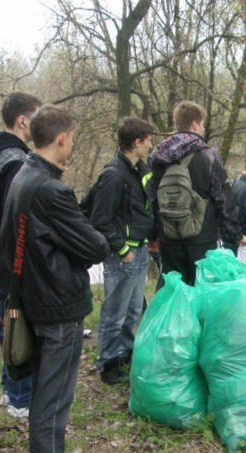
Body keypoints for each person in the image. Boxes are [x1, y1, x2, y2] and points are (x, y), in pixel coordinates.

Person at [1, 104, 109, 453]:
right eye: (73, 138)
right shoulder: (51, 190)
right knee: (53, 396)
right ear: (62, 138)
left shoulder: (24, 175)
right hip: (56, 303)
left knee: (51, 393)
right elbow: (94, 246)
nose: (72, 145)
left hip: (38, 296)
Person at [0, 92, 42, 417]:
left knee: (9, 319)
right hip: (11, 250)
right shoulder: (15, 160)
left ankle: (9, 388)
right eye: (37, 117)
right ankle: (20, 398)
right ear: (22, 121)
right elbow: (17, 215)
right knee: (19, 320)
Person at [88, 118, 156, 385]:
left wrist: (150, 238)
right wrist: (122, 249)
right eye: (148, 140)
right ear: (136, 142)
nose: (151, 145)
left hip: (140, 251)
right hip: (122, 256)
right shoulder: (114, 174)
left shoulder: (139, 170)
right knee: (114, 313)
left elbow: (141, 211)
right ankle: (107, 362)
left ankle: (125, 352)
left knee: (134, 309)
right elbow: (100, 220)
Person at [148, 100, 246, 285]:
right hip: (202, 237)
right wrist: (234, 234)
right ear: (194, 124)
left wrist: (153, 234)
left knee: (173, 290)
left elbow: (152, 198)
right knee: (201, 290)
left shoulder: (158, 156)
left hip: (168, 236)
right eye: (202, 125)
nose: (202, 129)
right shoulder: (207, 156)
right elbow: (223, 199)